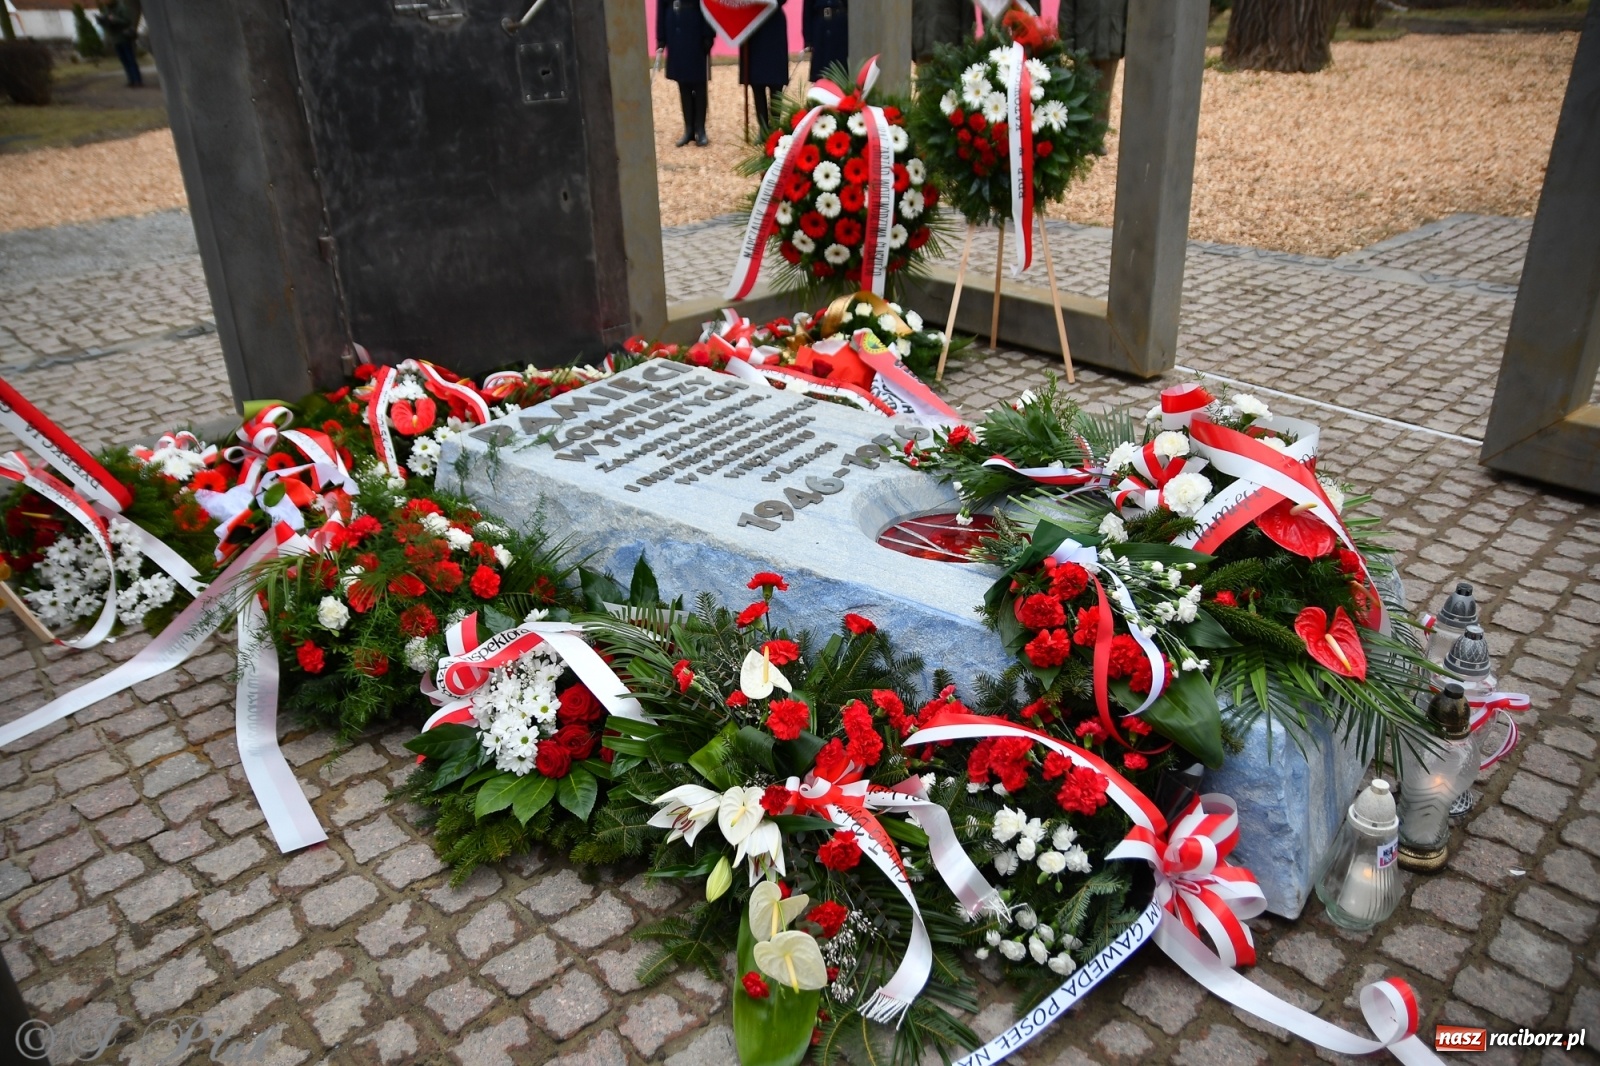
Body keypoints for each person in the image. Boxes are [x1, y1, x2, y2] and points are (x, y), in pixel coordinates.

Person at [1058, 0, 1126, 125]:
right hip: (1084, 46)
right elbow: (1066, 12)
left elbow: (1130, 12)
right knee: (1082, 97)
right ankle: (1082, 141)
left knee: (1103, 101)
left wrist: (1124, 43)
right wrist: (1068, 46)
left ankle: (1097, 141)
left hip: (1111, 46)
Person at [657, 0, 715, 147]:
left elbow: (708, 4)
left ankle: (700, 129)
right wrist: (661, 38)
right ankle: (689, 129)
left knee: (699, 83)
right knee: (682, 82)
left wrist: (708, 33)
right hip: (674, 26)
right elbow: (661, 6)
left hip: (694, 25)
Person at [739, 0, 789, 135]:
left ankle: (775, 128)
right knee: (756, 82)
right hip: (752, 23)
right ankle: (763, 129)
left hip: (773, 24)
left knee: (776, 83)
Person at [97, 0, 143, 88]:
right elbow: (107, 23)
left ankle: (137, 80)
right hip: (115, 39)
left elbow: (127, 21)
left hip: (124, 36)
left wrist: (114, 19)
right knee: (124, 61)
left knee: (130, 59)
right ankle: (131, 80)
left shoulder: (121, 7)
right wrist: (103, 21)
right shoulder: (106, 10)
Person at [802, 0, 846, 84]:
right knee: (820, 68)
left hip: (840, 26)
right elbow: (807, 11)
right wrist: (808, 39)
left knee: (841, 65)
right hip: (820, 27)